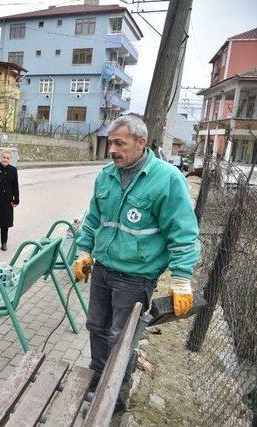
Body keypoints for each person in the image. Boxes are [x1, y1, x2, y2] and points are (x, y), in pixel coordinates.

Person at [74, 115, 200, 397]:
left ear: (141, 143)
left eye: (120, 143)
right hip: (103, 270)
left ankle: (115, 395)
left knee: (121, 338)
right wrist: (83, 251)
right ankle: (96, 380)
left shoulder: (167, 180)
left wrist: (181, 279)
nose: (113, 150)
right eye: (110, 143)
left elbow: (183, 233)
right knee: (96, 327)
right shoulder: (106, 175)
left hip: (136, 278)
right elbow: (93, 219)